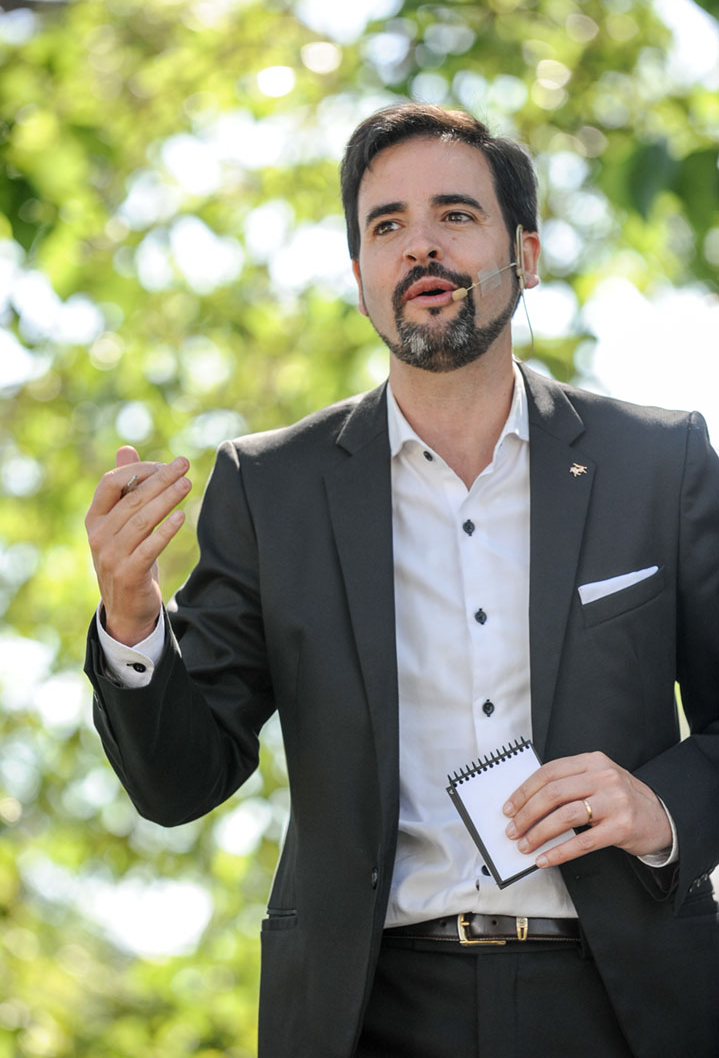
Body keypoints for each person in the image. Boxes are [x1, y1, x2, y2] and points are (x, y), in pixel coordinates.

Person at [84, 104, 719, 1058]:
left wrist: (656, 805)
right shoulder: (271, 487)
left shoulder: (658, 463)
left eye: (455, 215)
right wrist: (132, 617)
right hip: (367, 1009)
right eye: (386, 226)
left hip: (626, 1000)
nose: (420, 245)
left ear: (525, 255)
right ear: (360, 280)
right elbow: (178, 783)